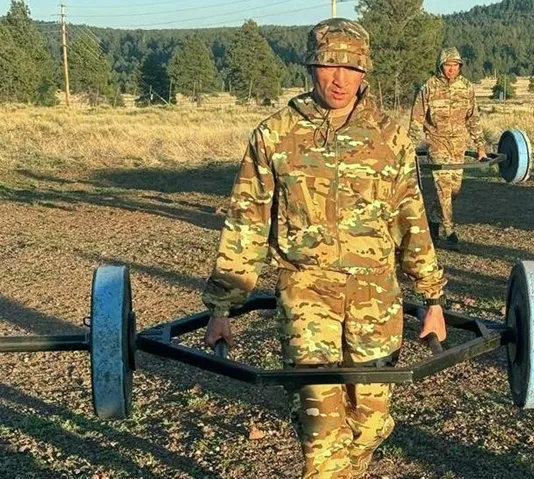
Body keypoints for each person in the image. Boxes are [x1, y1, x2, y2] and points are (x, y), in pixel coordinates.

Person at [201, 18, 447, 479]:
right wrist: (222, 307)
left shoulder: (390, 136)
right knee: (320, 427)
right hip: (306, 292)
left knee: (370, 422)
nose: (339, 79)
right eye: (329, 66)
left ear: (364, 71)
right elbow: (246, 224)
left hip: (375, 294)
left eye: (350, 67)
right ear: (310, 67)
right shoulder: (275, 135)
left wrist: (432, 298)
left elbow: (410, 218)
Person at [409, 47, 486, 250]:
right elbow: (417, 119)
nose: (451, 69)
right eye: (448, 65)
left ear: (460, 66)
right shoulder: (429, 87)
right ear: (440, 66)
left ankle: (433, 221)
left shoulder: (466, 87)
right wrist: (410, 147)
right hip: (437, 143)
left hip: (458, 145)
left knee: (454, 190)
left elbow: (473, 118)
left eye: (455, 65)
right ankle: (450, 231)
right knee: (443, 189)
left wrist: (480, 145)